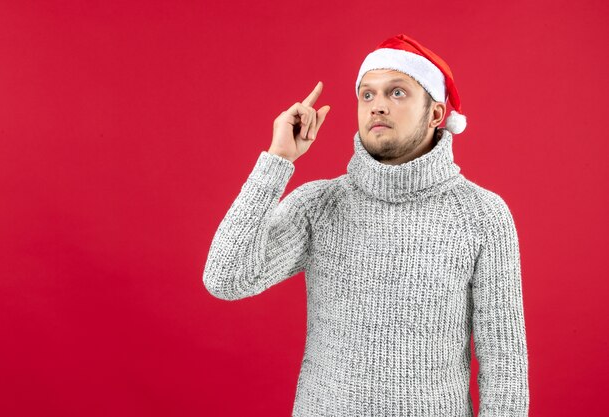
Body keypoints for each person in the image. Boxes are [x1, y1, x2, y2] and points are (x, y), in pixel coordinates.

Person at [202, 33, 529, 417]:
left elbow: (503, 362)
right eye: (367, 95)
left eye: (397, 93)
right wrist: (276, 161)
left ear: (437, 114)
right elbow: (226, 278)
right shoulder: (319, 205)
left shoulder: (482, 215)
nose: (377, 107)